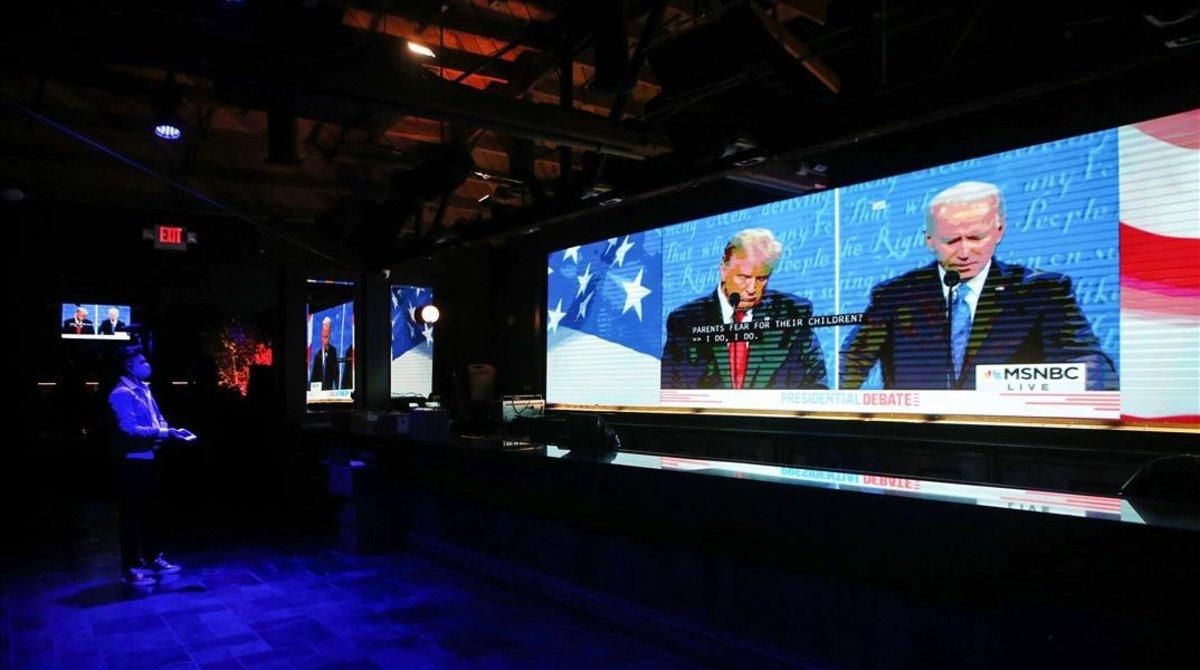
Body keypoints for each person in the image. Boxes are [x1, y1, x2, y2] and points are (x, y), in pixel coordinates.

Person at [839, 181, 1115, 390]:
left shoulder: (1043, 290)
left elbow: (1090, 364)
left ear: (999, 230)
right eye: (951, 241)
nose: (964, 252)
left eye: (975, 237)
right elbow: (850, 363)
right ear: (929, 240)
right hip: (916, 439)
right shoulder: (895, 295)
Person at [662, 228, 828, 389]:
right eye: (744, 277)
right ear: (723, 270)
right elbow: (669, 388)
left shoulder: (792, 313)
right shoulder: (685, 321)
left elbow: (816, 384)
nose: (752, 288)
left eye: (762, 278)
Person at [108, 346, 193, 585]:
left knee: (151, 511)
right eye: (142, 361)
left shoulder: (144, 390)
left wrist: (164, 430)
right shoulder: (122, 393)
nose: (147, 365)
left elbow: (158, 417)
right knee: (132, 515)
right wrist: (163, 433)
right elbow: (128, 429)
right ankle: (131, 567)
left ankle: (152, 555)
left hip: (149, 458)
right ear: (128, 365)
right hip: (133, 462)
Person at [310, 316, 339, 391]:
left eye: (326, 337)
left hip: (329, 390)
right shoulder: (317, 355)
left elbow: (336, 373)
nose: (324, 340)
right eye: (323, 337)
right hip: (318, 391)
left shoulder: (333, 351)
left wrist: (338, 389)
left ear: (329, 337)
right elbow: (313, 376)